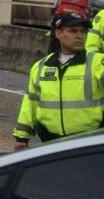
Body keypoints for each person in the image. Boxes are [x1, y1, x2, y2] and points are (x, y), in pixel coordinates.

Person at [14, 12, 104, 149]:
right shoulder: (41, 66)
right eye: (73, 31)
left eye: (83, 31)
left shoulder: (96, 62)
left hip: (88, 144)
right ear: (58, 33)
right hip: (51, 143)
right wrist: (22, 137)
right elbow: (31, 102)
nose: (80, 36)